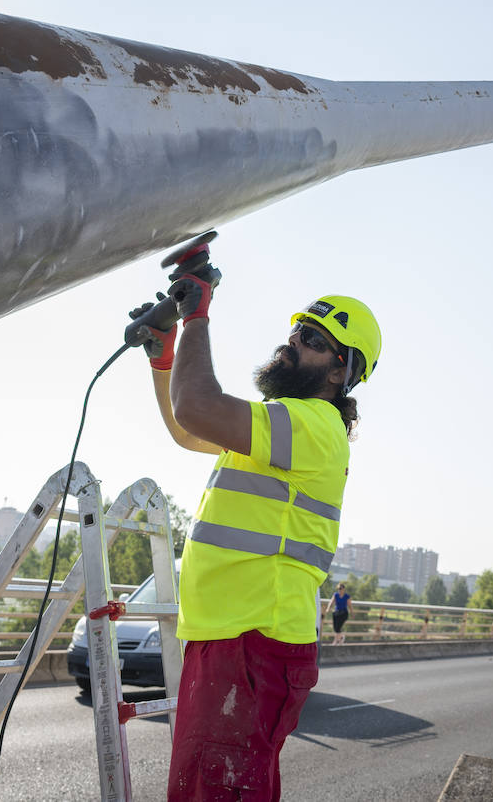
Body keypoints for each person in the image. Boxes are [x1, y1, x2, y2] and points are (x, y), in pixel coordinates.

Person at [134, 270, 382, 802]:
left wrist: (198, 313)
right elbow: (189, 427)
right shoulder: (281, 430)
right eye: (297, 331)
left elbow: (196, 407)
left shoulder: (314, 425)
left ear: (343, 370)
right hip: (236, 637)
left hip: (251, 641)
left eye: (315, 340)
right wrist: (165, 356)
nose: (295, 342)